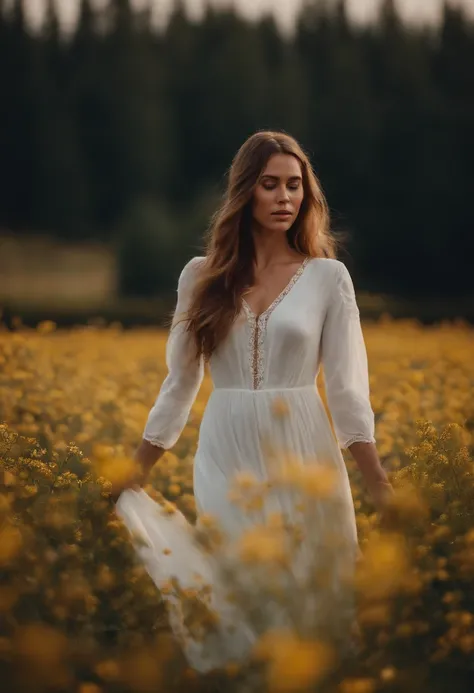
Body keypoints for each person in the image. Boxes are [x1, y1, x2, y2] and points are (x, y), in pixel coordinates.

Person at [115, 130, 394, 672]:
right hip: (226, 451)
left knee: (316, 601)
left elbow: (346, 387)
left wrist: (378, 481)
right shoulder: (200, 277)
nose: (286, 197)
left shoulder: (328, 278)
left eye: (295, 186)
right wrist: (133, 472)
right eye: (271, 185)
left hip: (306, 452)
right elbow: (179, 383)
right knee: (239, 590)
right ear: (246, 193)